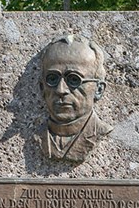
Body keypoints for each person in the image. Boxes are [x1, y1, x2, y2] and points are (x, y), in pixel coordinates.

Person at [39, 35, 113, 163]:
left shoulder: (101, 131)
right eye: (52, 79)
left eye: (74, 79)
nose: (61, 90)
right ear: (42, 88)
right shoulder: (38, 135)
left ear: (98, 89)